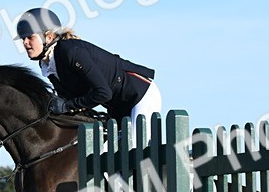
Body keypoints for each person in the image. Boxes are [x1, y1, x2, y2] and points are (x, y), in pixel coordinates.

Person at [14, 7, 162, 125]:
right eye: (23, 39)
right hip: (116, 107)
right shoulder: (47, 64)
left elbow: (103, 93)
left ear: (49, 37)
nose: (25, 43)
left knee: (135, 147)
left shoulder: (71, 52)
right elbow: (69, 98)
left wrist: (66, 106)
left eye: (30, 37)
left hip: (140, 95)